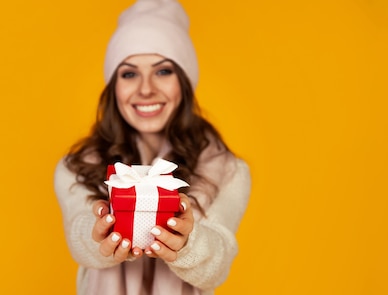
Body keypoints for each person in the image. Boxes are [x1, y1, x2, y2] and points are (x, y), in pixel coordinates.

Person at [53, 0, 251, 294]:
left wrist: (187, 243)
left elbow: (218, 263)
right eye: (129, 73)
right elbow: (78, 233)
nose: (146, 89)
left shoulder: (227, 170)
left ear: (184, 83)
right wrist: (99, 235)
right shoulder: (77, 166)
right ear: (113, 86)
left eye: (163, 71)